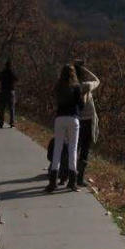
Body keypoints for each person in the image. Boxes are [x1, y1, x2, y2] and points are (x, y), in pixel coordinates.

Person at [45, 64, 84, 193]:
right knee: (73, 149)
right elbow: (81, 105)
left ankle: (53, 181)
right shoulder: (76, 87)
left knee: (57, 149)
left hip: (60, 118)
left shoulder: (58, 87)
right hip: (73, 118)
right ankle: (72, 182)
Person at [74, 60, 100, 187]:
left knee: (74, 148)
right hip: (88, 122)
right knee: (84, 150)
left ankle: (69, 174)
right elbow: (97, 80)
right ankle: (80, 177)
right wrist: (84, 69)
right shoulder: (87, 86)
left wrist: (75, 68)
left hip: (76, 121)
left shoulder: (72, 87)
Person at [0, 60, 17, 128]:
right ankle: (12, 123)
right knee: (11, 108)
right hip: (11, 91)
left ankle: (1, 123)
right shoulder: (12, 72)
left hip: (3, 90)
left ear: (5, 65)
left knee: (2, 108)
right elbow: (16, 78)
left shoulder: (3, 72)